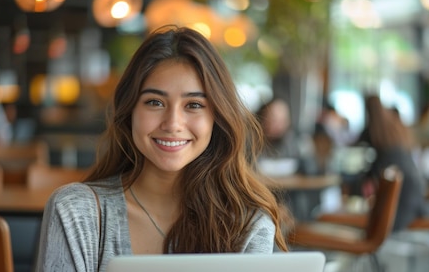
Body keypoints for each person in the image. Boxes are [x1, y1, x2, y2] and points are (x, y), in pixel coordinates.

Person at [35, 26, 289, 272]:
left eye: (194, 104)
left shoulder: (247, 226)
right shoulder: (77, 212)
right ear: (130, 110)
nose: (172, 124)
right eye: (155, 102)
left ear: (217, 117)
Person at [356, 95, 425, 231]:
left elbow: (368, 181)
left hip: (399, 216)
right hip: (413, 206)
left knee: (326, 215)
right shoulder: (394, 138)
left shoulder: (385, 152)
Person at [256, 98, 317, 175]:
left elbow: (311, 167)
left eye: (282, 120)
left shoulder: (297, 141)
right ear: (263, 119)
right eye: (274, 120)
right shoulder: (253, 142)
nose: (278, 125)